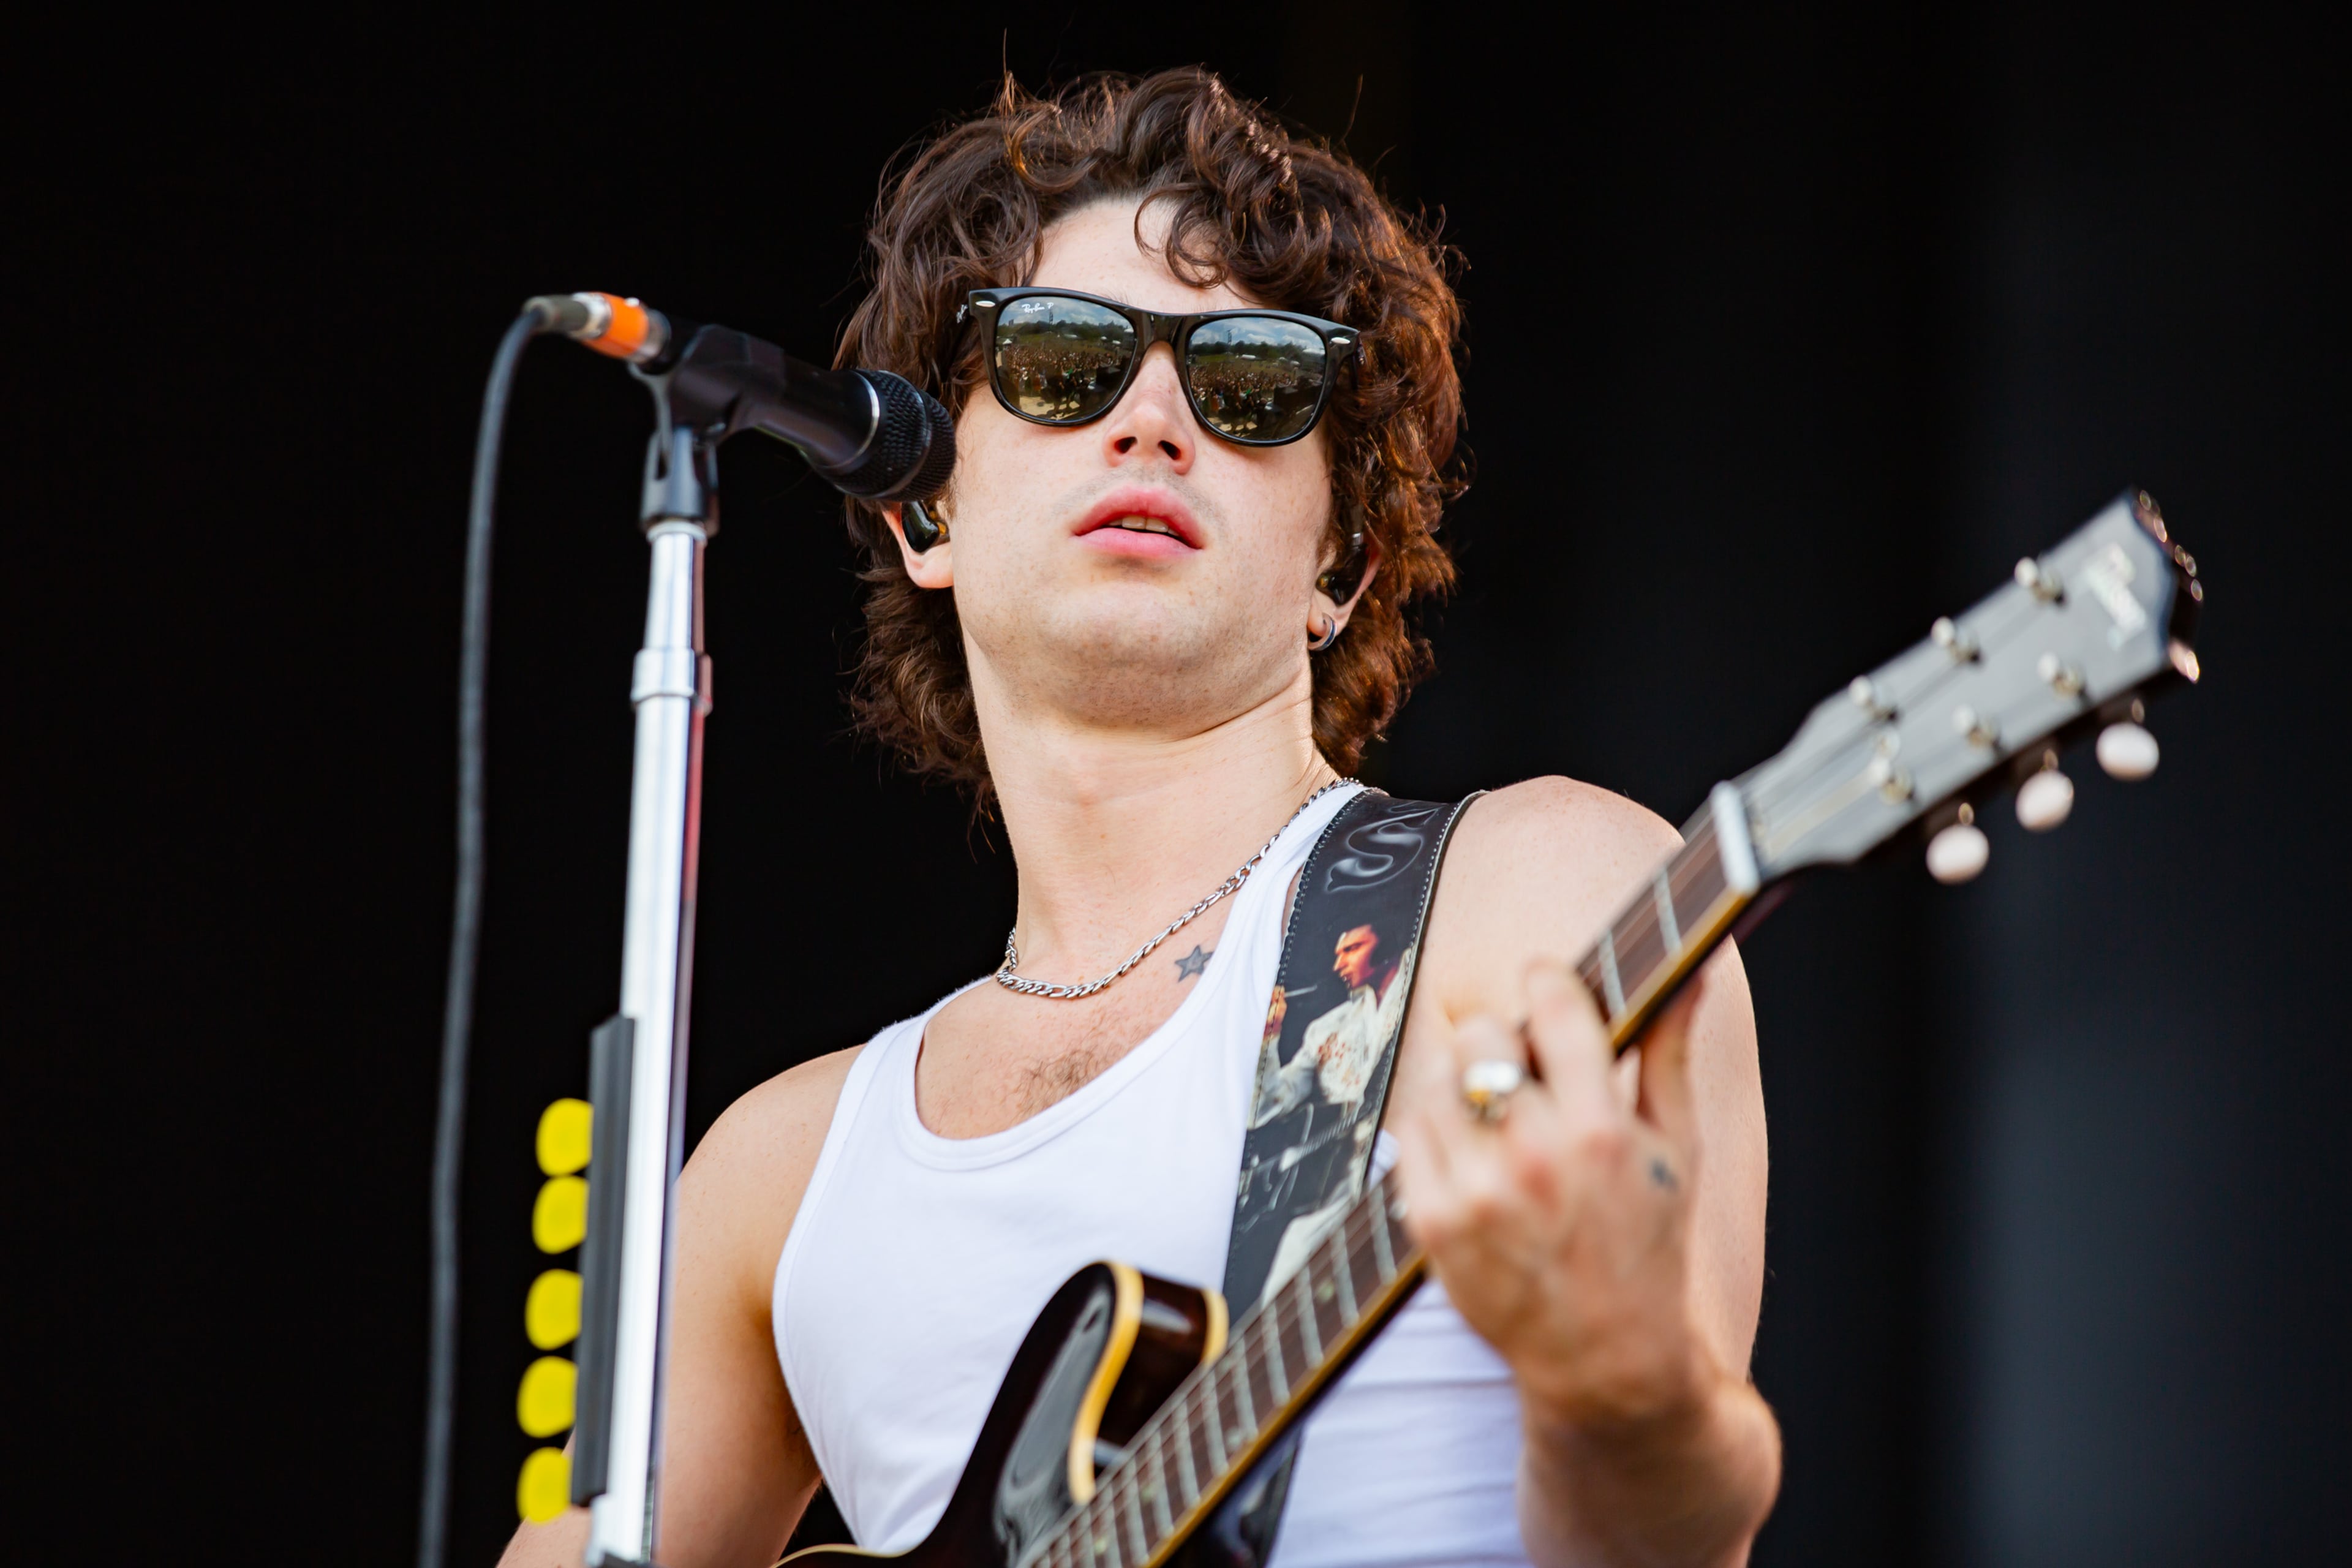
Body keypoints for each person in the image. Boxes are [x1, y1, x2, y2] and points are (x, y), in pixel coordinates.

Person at [502, 67, 1776, 1568]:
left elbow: (1680, 1534)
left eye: (1248, 383)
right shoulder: (782, 1172)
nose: (1156, 417)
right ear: (923, 509)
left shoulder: (1531, 899)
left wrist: (1628, 1398)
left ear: (1342, 567)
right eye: (1061, 360)